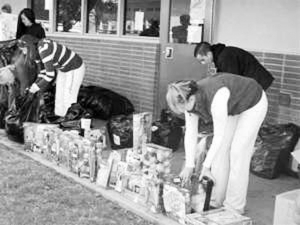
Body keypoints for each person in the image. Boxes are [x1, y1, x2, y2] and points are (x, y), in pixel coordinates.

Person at [166, 73, 268, 214]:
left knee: (238, 152)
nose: (185, 113)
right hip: (233, 104)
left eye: (184, 108)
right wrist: (190, 165)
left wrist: (206, 167)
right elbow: (190, 133)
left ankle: (234, 207)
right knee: (221, 153)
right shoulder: (189, 100)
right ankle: (215, 200)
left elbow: (218, 136)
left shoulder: (216, 97)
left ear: (190, 98)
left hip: (253, 102)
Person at [17, 34, 85, 117]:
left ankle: (69, 122)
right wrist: (34, 85)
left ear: (29, 46)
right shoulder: (36, 53)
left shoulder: (44, 49)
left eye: (24, 50)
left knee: (68, 96)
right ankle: (59, 118)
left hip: (74, 66)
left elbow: (50, 75)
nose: (24, 53)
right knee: (59, 94)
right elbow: (42, 72)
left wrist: (36, 88)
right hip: (63, 68)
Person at [194, 42, 274, 90]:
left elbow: (232, 81)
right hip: (255, 81)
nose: (202, 63)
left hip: (259, 81)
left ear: (208, 54)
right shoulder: (220, 54)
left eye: (203, 60)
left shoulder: (224, 57)